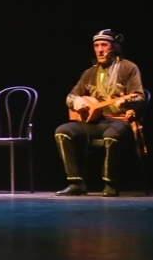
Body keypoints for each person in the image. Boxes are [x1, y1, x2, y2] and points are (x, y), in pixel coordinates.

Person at [54, 29, 146, 197]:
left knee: (111, 136)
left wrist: (126, 101)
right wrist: (77, 101)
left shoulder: (128, 68)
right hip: (95, 122)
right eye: (96, 46)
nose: (100, 50)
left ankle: (110, 184)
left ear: (114, 47)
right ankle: (76, 183)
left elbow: (140, 97)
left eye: (104, 45)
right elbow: (70, 97)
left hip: (120, 121)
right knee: (62, 132)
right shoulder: (89, 73)